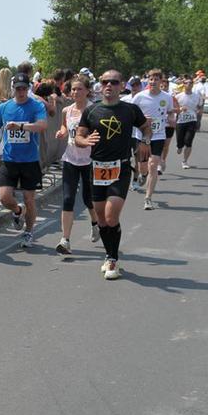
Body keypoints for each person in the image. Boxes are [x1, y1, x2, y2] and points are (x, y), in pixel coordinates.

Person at [75, 70, 151, 279]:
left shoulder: (130, 110)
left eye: (114, 82)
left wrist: (145, 142)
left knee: (111, 215)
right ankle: (109, 255)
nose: (109, 85)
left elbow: (146, 127)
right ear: (100, 85)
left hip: (121, 168)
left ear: (121, 85)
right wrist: (85, 141)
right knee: (100, 218)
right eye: (105, 82)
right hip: (97, 168)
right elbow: (79, 136)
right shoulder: (92, 111)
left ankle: (112, 259)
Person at [0, 72, 48, 248]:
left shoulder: (35, 106)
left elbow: (42, 126)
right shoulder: (5, 107)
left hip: (29, 160)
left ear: (28, 89)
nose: (21, 92)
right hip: (9, 159)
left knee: (30, 198)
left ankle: (28, 232)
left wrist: (21, 125)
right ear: (13, 88)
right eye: (18, 88)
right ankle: (17, 210)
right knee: (4, 197)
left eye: (24, 88)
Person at [54, 75, 99, 255]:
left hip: (89, 160)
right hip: (71, 159)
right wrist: (61, 132)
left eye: (79, 89)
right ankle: (65, 240)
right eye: (73, 89)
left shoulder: (94, 110)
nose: (75, 92)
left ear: (87, 91)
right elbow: (65, 127)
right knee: (68, 199)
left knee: (89, 199)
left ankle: (95, 222)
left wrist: (88, 140)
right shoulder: (67, 110)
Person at [130, 69, 173, 210]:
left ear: (161, 81)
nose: (153, 81)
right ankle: (143, 175)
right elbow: (130, 114)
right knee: (143, 167)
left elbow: (170, 112)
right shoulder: (139, 97)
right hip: (141, 137)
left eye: (156, 79)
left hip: (158, 135)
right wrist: (141, 120)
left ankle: (148, 198)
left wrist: (171, 119)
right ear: (147, 81)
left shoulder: (167, 97)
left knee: (153, 165)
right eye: (151, 79)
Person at [175, 77, 203, 168]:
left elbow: (200, 106)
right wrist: (180, 109)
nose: (189, 84)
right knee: (180, 143)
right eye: (187, 83)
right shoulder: (178, 96)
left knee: (188, 141)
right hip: (180, 121)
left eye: (191, 83)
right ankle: (179, 146)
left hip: (192, 121)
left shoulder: (197, 96)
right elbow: (174, 108)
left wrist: (199, 112)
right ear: (183, 84)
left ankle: (185, 161)